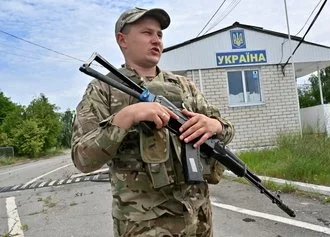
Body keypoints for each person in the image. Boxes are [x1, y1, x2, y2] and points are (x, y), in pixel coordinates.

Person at [71, 7, 235, 237]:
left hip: (198, 218)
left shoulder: (184, 86)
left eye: (159, 34)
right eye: (147, 33)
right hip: (143, 225)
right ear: (122, 40)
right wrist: (126, 117)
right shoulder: (102, 90)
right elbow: (82, 158)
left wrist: (213, 125)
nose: (156, 40)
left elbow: (226, 129)